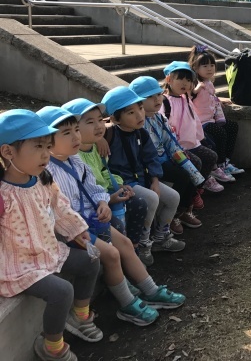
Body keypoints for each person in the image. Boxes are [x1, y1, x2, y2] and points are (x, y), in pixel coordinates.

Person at [36, 106, 185, 327]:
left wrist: (103, 202)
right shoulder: (48, 171)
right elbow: (56, 211)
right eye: (66, 133)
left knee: (124, 243)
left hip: (94, 219)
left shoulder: (75, 161)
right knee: (112, 255)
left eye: (76, 130)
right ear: (47, 141)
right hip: (75, 230)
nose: (76, 136)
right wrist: (85, 221)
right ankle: (127, 304)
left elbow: (94, 188)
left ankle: (151, 290)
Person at [0, 109, 102, 361]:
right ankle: (52, 346)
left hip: (49, 250)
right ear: (8, 152)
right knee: (61, 291)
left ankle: (80, 316)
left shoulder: (42, 180)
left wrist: (78, 230)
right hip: (21, 265)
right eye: (38, 147)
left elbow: (61, 208)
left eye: (48, 146)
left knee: (91, 260)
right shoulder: (3, 195)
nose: (46, 154)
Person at [101, 86, 185, 260]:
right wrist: (100, 138)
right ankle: (144, 244)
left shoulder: (142, 134)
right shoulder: (110, 134)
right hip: (124, 183)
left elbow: (151, 158)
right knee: (152, 198)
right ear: (116, 118)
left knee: (173, 197)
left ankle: (161, 237)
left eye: (139, 108)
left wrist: (155, 180)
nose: (139, 115)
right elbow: (96, 129)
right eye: (130, 113)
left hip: (142, 179)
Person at [62, 98, 148, 258]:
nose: (99, 126)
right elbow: (83, 191)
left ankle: (135, 248)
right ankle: (125, 257)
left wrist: (120, 184)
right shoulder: (74, 156)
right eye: (90, 122)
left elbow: (104, 171)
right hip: (94, 204)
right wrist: (109, 199)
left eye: (100, 120)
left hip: (104, 194)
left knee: (138, 204)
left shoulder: (95, 147)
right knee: (117, 222)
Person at [129, 76, 203, 232]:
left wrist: (180, 155)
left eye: (158, 94)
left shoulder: (159, 117)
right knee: (182, 176)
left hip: (167, 156)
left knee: (194, 165)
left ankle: (184, 209)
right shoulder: (138, 123)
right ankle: (174, 215)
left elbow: (170, 140)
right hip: (154, 163)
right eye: (149, 97)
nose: (157, 99)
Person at [160, 61, 226, 192]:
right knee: (196, 162)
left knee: (211, 156)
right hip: (177, 148)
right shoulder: (165, 102)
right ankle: (191, 192)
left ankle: (199, 185)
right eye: (181, 79)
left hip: (192, 143)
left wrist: (200, 138)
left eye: (189, 80)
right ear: (169, 80)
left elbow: (194, 120)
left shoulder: (186, 98)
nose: (185, 83)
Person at [188, 45, 244, 177]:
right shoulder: (195, 84)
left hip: (211, 119)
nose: (209, 68)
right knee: (220, 133)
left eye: (212, 65)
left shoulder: (208, 83)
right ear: (196, 68)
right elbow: (188, 97)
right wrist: (195, 90)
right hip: (201, 123)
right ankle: (220, 164)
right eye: (205, 66)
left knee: (232, 126)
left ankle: (226, 161)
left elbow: (210, 96)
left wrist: (219, 100)